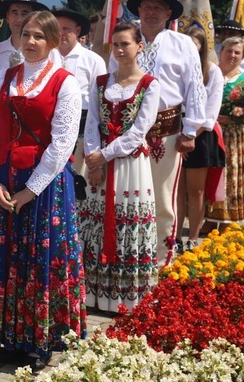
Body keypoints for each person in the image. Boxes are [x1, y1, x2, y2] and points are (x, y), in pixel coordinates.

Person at [0, 10, 86, 371]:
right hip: (3, 178)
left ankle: (38, 339)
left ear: (53, 41)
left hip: (44, 184)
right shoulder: (4, 76)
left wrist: (30, 190)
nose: (30, 42)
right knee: (3, 256)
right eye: (27, 34)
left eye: (39, 37)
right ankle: (4, 334)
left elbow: (62, 145)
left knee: (36, 258)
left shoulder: (65, 82)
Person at [113, 0, 207, 267]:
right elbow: (111, 81)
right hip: (128, 130)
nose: (151, 12)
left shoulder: (183, 44)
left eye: (158, 8)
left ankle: (162, 259)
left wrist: (190, 131)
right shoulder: (125, 41)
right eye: (146, 7)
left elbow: (195, 89)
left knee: (163, 197)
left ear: (168, 14)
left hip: (167, 133)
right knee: (128, 194)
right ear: (138, 12)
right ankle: (128, 255)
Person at [79, 22, 160, 313]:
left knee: (127, 224)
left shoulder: (149, 84)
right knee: (94, 222)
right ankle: (92, 293)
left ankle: (126, 297)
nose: (119, 49)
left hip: (130, 166)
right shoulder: (101, 82)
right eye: (115, 44)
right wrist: (93, 157)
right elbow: (91, 123)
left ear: (140, 47)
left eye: (125, 43)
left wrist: (104, 155)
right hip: (100, 163)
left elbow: (139, 131)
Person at [175, 27, 224, 251]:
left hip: (200, 137)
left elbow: (210, 114)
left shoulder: (212, 71)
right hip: (175, 135)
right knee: (176, 189)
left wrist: (189, 136)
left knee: (195, 191)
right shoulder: (176, 69)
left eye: (195, 44)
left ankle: (193, 237)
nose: (191, 49)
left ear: (202, 47)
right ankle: (174, 237)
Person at [205, 37, 244, 230]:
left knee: (231, 173)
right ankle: (209, 218)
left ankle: (228, 219)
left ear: (242, 57)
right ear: (221, 52)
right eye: (229, 51)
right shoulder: (210, 74)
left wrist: (236, 117)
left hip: (235, 136)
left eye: (237, 52)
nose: (232, 55)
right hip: (211, 132)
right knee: (210, 173)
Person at [52, 8, 107, 177]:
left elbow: (100, 103)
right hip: (50, 132)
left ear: (77, 31)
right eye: (57, 28)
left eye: (66, 29)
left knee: (79, 184)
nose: (61, 33)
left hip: (82, 134)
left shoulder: (93, 60)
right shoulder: (46, 57)